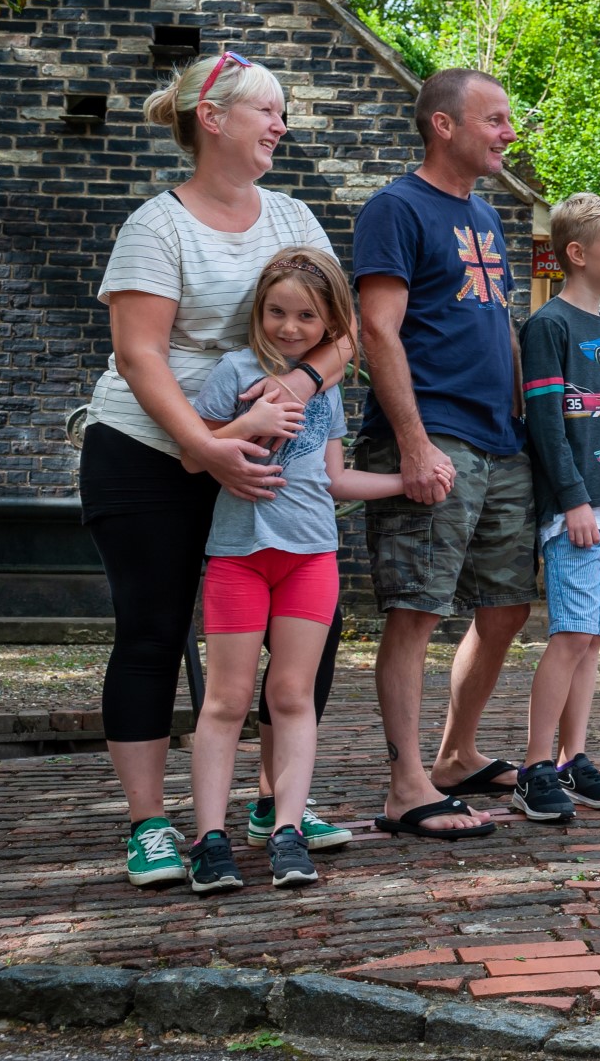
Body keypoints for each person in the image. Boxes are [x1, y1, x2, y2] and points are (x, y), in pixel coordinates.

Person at [83, 52, 355, 888]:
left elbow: (343, 332)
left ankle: (278, 801)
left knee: (312, 628)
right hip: (148, 453)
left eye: (284, 114)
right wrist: (202, 449)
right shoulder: (155, 226)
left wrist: (301, 383)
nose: (282, 125)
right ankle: (149, 824)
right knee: (153, 631)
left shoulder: (293, 218)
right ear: (213, 118)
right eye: (268, 111)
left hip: (265, 451)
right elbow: (139, 355)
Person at [183, 249, 406, 894]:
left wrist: (405, 481)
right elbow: (194, 460)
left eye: (306, 316)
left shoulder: (328, 390)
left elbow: (334, 478)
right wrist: (246, 424)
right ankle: (209, 839)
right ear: (259, 311)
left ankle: (285, 831)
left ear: (328, 320)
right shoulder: (233, 371)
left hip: (310, 559)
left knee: (291, 697)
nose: (288, 326)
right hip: (238, 558)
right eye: (277, 311)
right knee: (225, 701)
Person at [354, 68, 535, 839]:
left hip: (500, 443)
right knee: (415, 610)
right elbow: (376, 331)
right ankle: (406, 785)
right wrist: (415, 443)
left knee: (506, 607)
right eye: (494, 119)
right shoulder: (395, 208)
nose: (508, 133)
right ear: (443, 125)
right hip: (436, 440)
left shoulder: (487, 217)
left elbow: (502, 332)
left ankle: (456, 754)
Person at [514, 193, 600, 822]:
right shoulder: (549, 326)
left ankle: (574, 758)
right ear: (577, 253)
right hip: (576, 512)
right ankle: (535, 765)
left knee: (593, 639)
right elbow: (545, 423)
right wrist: (574, 501)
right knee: (568, 634)